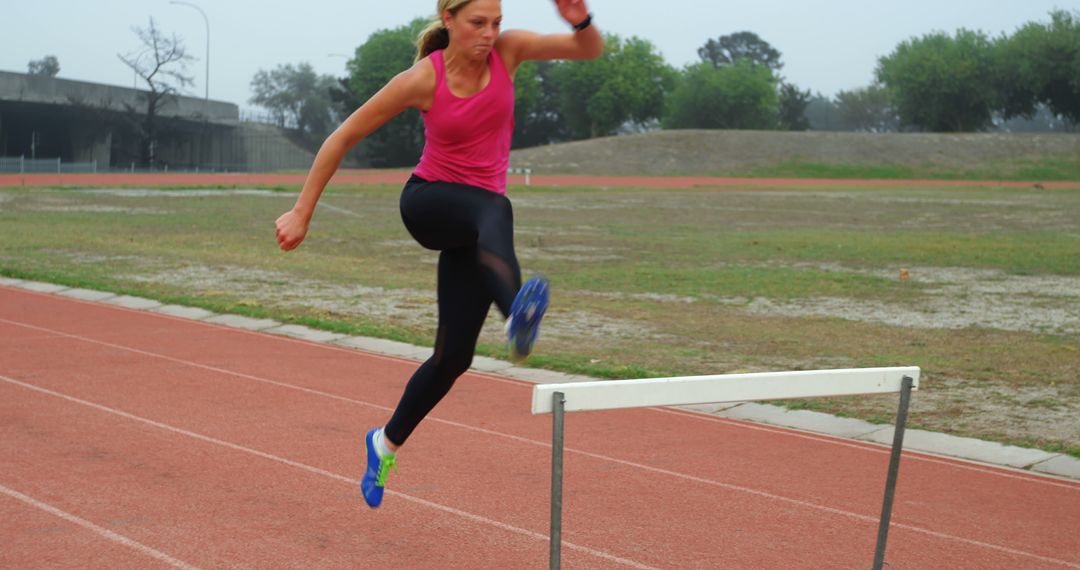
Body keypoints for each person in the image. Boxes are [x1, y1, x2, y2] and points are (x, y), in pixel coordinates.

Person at [274, 0, 602, 508]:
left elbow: (589, 49)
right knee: (497, 207)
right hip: (428, 204)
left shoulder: (509, 53)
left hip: (475, 232)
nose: (490, 33)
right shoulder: (421, 79)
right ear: (448, 20)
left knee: (453, 357)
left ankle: (383, 443)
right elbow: (343, 136)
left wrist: (579, 20)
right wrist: (302, 212)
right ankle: (518, 313)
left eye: (495, 22)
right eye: (477, 23)